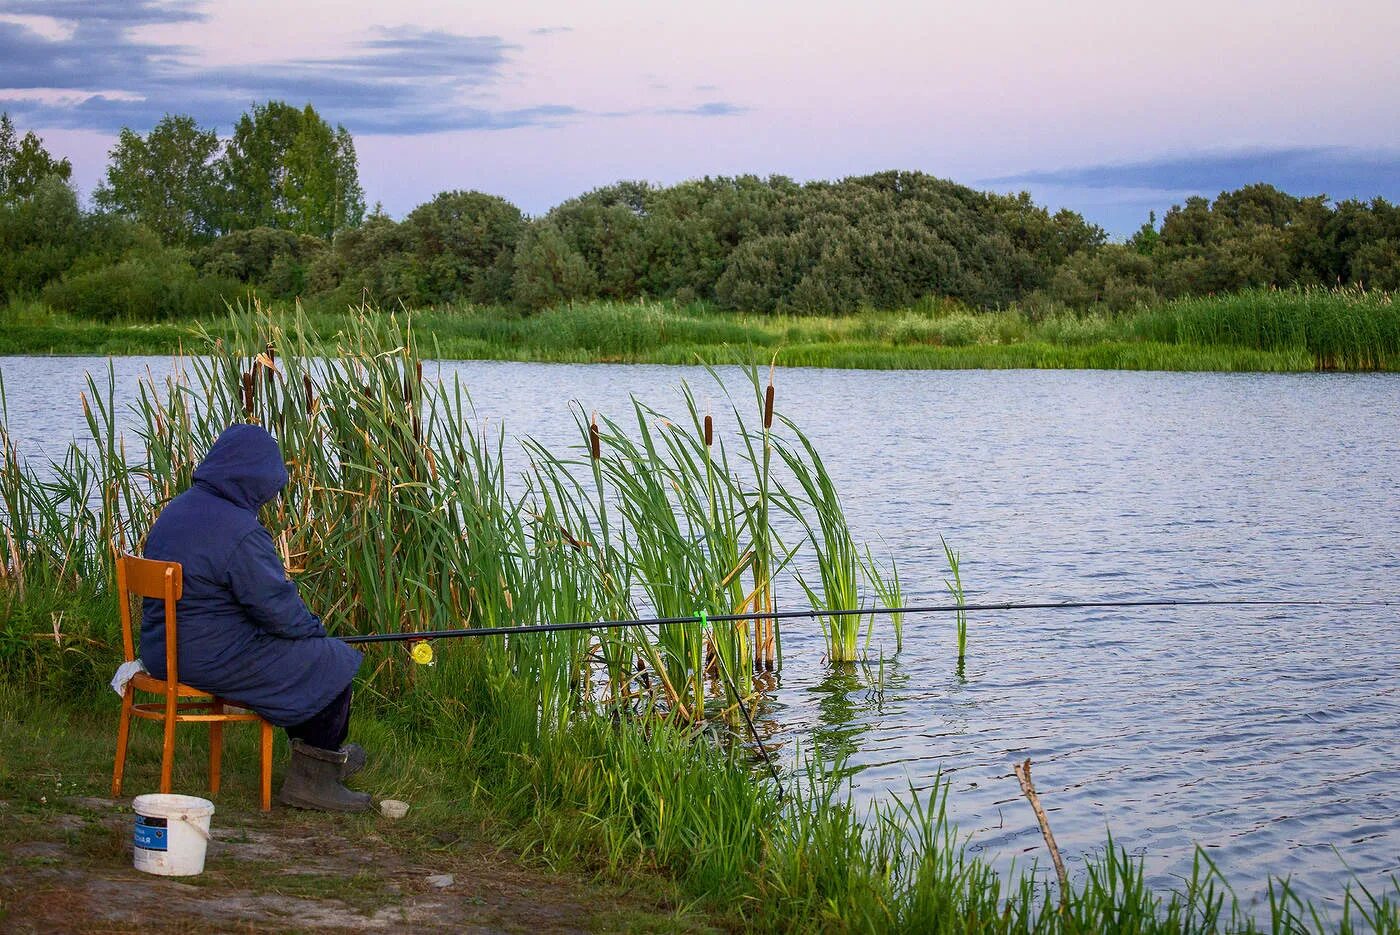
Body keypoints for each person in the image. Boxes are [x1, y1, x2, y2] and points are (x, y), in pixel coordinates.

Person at [141, 423, 371, 812]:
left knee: (306, 657)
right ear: (252, 478)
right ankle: (313, 781)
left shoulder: (177, 509)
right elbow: (277, 609)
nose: (268, 497)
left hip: (161, 647)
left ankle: (319, 763)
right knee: (334, 662)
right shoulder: (240, 530)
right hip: (206, 655)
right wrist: (314, 632)